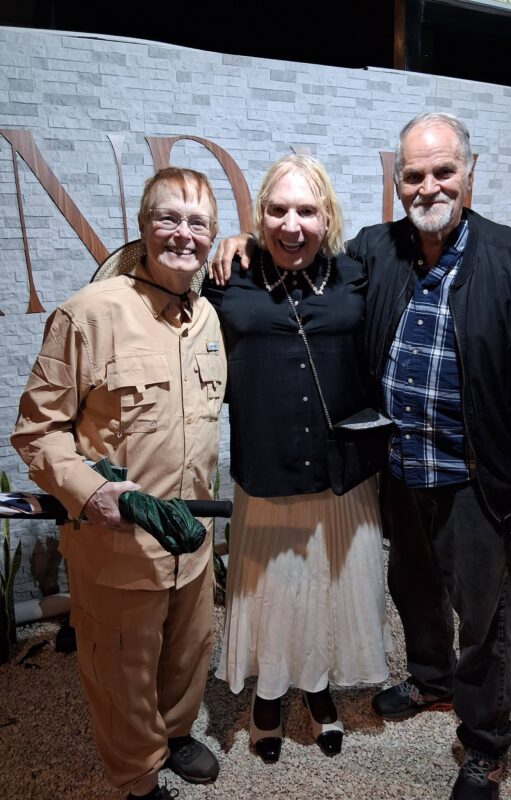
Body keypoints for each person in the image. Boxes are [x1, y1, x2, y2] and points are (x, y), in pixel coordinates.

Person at [211, 114, 511, 800]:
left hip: (477, 475)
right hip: (400, 469)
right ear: (397, 181)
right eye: (414, 174)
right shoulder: (375, 252)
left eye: (443, 171)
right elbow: (299, 251)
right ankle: (432, 681)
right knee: (413, 589)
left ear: (469, 174)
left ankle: (485, 742)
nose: (428, 186)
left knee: (483, 613)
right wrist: (243, 242)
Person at [12, 168, 227, 800]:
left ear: (212, 235)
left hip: (190, 539)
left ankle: (175, 732)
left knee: (187, 652)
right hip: (119, 547)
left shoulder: (208, 318)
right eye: (168, 218)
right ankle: (138, 774)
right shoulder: (88, 314)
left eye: (197, 223)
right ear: (142, 225)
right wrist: (90, 491)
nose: (182, 234)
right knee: (121, 671)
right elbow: (37, 432)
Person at [203, 154, 390, 763]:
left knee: (329, 588)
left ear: (327, 216)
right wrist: (230, 241)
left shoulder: (357, 274)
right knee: (273, 591)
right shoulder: (228, 276)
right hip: (267, 467)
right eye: (278, 210)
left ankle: (316, 685)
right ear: (260, 216)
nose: (292, 224)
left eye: (306, 211)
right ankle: (268, 694)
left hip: (341, 472)